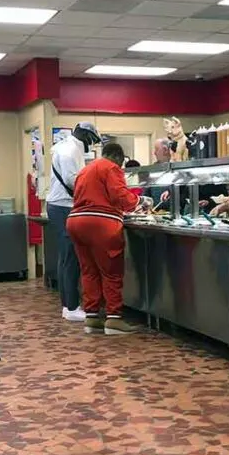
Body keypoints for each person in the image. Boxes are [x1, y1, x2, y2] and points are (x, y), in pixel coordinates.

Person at [67, 143, 149, 336]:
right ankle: (113, 319)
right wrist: (140, 202)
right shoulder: (111, 167)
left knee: (89, 271)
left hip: (76, 221)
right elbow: (120, 195)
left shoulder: (85, 170)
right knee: (111, 271)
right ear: (118, 158)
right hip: (101, 223)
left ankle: (92, 317)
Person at [47, 122, 102, 322]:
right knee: (70, 257)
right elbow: (73, 181)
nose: (91, 145)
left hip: (59, 205)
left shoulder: (66, 147)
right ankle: (71, 307)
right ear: (85, 136)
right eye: (92, 140)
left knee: (66, 258)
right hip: (64, 206)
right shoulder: (70, 151)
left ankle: (67, 305)